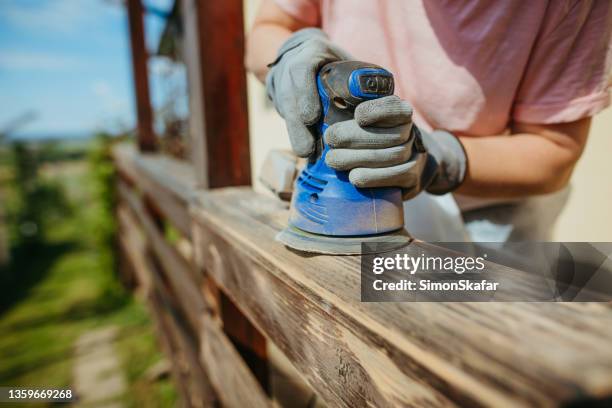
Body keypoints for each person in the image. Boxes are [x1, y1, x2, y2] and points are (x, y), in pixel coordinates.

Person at [246, 0, 612, 242]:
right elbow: (271, 25)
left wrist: (434, 158)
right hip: (336, 197)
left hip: (484, 227)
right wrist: (288, 54)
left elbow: (555, 151)